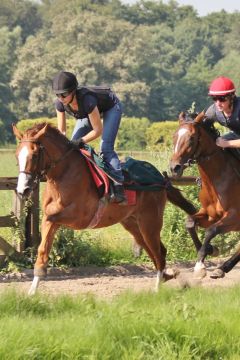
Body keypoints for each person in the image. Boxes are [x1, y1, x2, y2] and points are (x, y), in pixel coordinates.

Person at [52, 70, 126, 204]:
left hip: (110, 107)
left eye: (64, 94)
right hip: (87, 113)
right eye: (58, 95)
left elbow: (98, 130)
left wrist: (81, 141)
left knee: (106, 148)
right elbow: (61, 131)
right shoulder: (59, 104)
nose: (61, 98)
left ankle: (119, 186)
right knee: (71, 149)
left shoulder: (87, 100)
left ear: (73, 91)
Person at [204, 76, 240, 151]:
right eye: (214, 98)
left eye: (222, 99)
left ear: (232, 96)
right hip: (236, 135)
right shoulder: (213, 111)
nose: (218, 103)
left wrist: (227, 144)